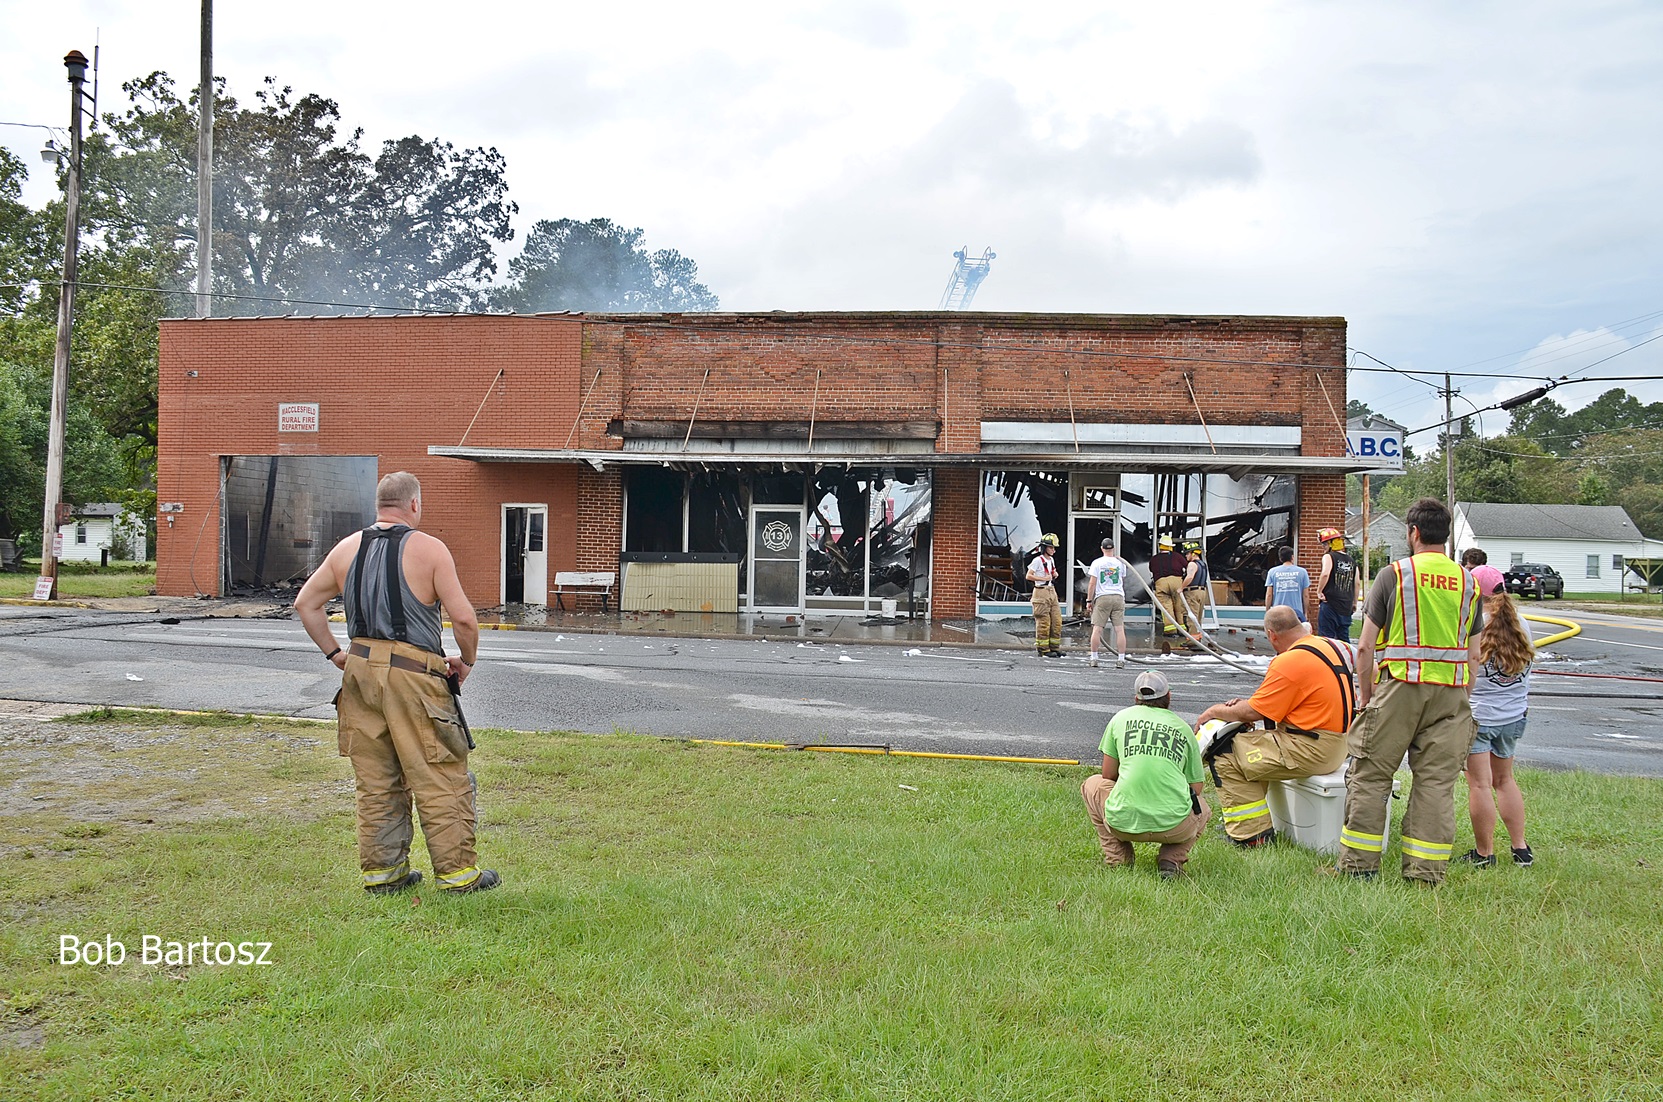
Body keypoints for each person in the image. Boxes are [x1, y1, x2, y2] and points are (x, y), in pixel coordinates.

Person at [295, 471, 500, 895]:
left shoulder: (346, 549)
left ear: (378, 505)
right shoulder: (429, 549)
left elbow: (306, 604)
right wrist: (467, 661)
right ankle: (458, 875)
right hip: (413, 675)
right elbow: (463, 618)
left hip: (359, 674)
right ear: (414, 505)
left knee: (376, 779)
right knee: (439, 772)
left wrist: (336, 654)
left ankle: (384, 875)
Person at [1337, 497, 1482, 885]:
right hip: (1451, 696)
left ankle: (1359, 870)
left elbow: (1365, 646)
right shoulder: (1469, 583)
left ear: (1413, 532)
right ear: (1445, 536)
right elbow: (1474, 653)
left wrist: (1365, 697)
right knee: (1436, 783)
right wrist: (1462, 695)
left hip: (1400, 688)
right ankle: (1425, 874)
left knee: (1371, 775)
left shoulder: (1394, 574)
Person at [1196, 605, 1357, 846]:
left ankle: (1250, 834)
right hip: (1337, 744)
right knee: (1250, 750)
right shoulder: (1329, 646)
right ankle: (1257, 824)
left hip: (1311, 748)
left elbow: (1254, 712)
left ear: (1271, 634)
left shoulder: (1290, 660)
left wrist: (1214, 711)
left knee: (1225, 753)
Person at [1080, 670, 1212, 878]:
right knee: (1202, 808)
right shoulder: (1183, 728)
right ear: (1169, 697)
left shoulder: (1120, 719)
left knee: (1092, 784)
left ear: (1136, 699)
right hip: (1175, 828)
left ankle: (1118, 858)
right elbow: (1196, 788)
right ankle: (1171, 859)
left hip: (1122, 823)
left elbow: (1107, 775)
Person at [1462, 586, 1535, 868]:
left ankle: (1484, 853)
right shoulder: (1521, 624)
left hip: (1479, 716)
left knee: (1479, 784)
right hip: (1514, 716)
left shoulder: (1473, 623)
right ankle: (1520, 848)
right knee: (1505, 781)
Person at [1085, 537, 1128, 668]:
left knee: (1097, 629)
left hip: (1102, 597)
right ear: (1113, 548)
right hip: (1118, 597)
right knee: (1119, 630)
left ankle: (1094, 658)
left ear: (1102, 548)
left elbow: (1092, 583)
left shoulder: (1097, 563)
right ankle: (1121, 659)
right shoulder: (1120, 563)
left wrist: (1089, 600)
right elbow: (1122, 579)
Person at [1314, 526, 1358, 642]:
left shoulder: (1329, 556)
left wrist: (1319, 591)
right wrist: (1354, 602)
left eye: (1324, 544)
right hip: (1346, 606)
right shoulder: (1351, 561)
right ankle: (1345, 660)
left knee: (1326, 639)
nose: (1323, 548)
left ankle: (1327, 659)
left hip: (1330, 604)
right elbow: (1356, 582)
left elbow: (1325, 574)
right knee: (1343, 640)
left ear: (1332, 543)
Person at [1027, 532, 1064, 658]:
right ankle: (1043, 649)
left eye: (1054, 548)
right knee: (1044, 622)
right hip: (1041, 591)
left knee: (1057, 620)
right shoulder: (1037, 560)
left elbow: (1052, 571)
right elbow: (1029, 576)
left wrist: (1055, 574)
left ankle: (1054, 647)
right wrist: (1042, 577)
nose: (1053, 550)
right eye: (1051, 547)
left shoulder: (1051, 560)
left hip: (1051, 591)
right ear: (1044, 548)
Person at [1149, 536, 1189, 636]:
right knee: (1179, 606)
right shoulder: (1177, 556)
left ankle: (1170, 630)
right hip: (1177, 582)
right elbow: (1187, 566)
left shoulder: (1154, 559)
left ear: (1160, 546)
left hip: (1161, 582)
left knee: (1166, 607)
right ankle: (1181, 629)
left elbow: (1151, 569)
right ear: (1170, 547)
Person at [1264, 545, 1311, 623]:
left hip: (1278, 612)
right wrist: (1305, 613)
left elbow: (1269, 594)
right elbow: (1305, 595)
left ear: (1280, 558)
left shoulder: (1272, 572)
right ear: (1292, 557)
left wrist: (1267, 611)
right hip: (1296, 612)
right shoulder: (1302, 572)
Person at [1181, 542, 1210, 636]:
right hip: (1202, 592)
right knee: (1198, 618)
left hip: (1192, 593)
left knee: (1191, 618)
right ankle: (1198, 637)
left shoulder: (1192, 564)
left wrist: (1181, 588)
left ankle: (1192, 641)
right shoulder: (1203, 564)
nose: (1186, 556)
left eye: (1187, 553)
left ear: (1193, 553)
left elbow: (1189, 577)